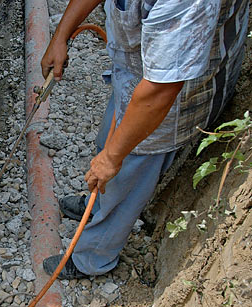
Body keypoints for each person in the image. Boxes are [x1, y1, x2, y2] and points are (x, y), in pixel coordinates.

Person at [40, 0, 248, 279]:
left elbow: (160, 92)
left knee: (129, 170)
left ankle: (93, 257)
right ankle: (98, 207)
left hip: (173, 93)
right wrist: (60, 36)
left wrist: (113, 158)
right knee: (109, 145)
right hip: (138, 72)